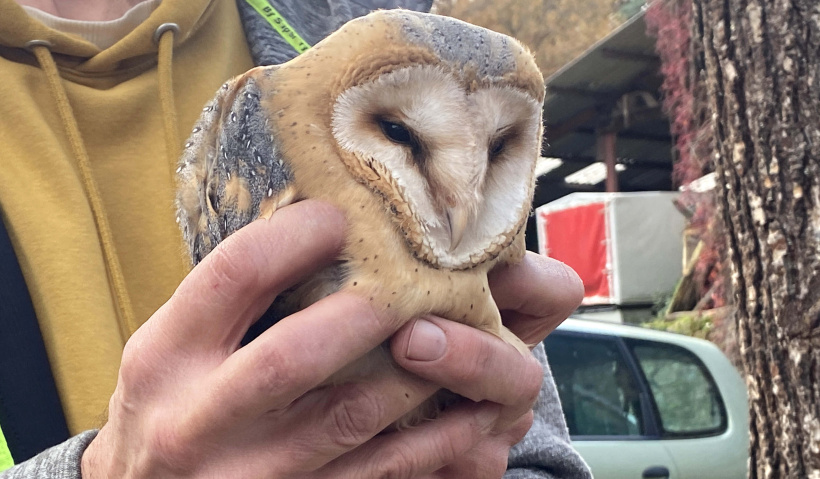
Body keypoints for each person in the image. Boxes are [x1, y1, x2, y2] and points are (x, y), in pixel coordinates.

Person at [0, 0, 592, 477]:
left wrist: (471, 449)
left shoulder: (361, 19)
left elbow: (528, 447)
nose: (459, 206)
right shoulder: (268, 105)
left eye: (499, 151)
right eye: (400, 135)